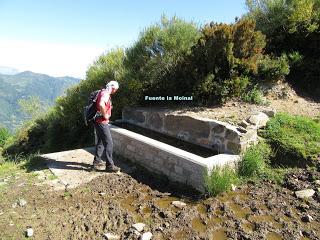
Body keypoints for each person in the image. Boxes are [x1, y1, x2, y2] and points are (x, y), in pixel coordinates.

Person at [93, 80, 121, 172]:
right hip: (102, 122)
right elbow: (101, 104)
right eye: (115, 90)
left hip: (97, 121)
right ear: (113, 88)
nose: (115, 91)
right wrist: (105, 115)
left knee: (100, 141)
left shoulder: (102, 92)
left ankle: (96, 161)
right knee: (109, 143)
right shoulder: (105, 94)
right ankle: (110, 166)